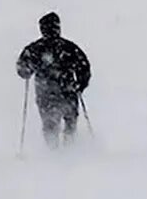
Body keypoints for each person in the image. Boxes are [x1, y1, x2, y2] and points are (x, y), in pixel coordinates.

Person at [16, 12, 91, 148]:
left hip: (46, 95)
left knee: (50, 125)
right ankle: (71, 150)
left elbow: (22, 69)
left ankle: (53, 153)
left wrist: (27, 70)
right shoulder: (69, 48)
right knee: (70, 122)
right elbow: (84, 67)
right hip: (68, 92)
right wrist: (80, 85)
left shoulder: (34, 49)